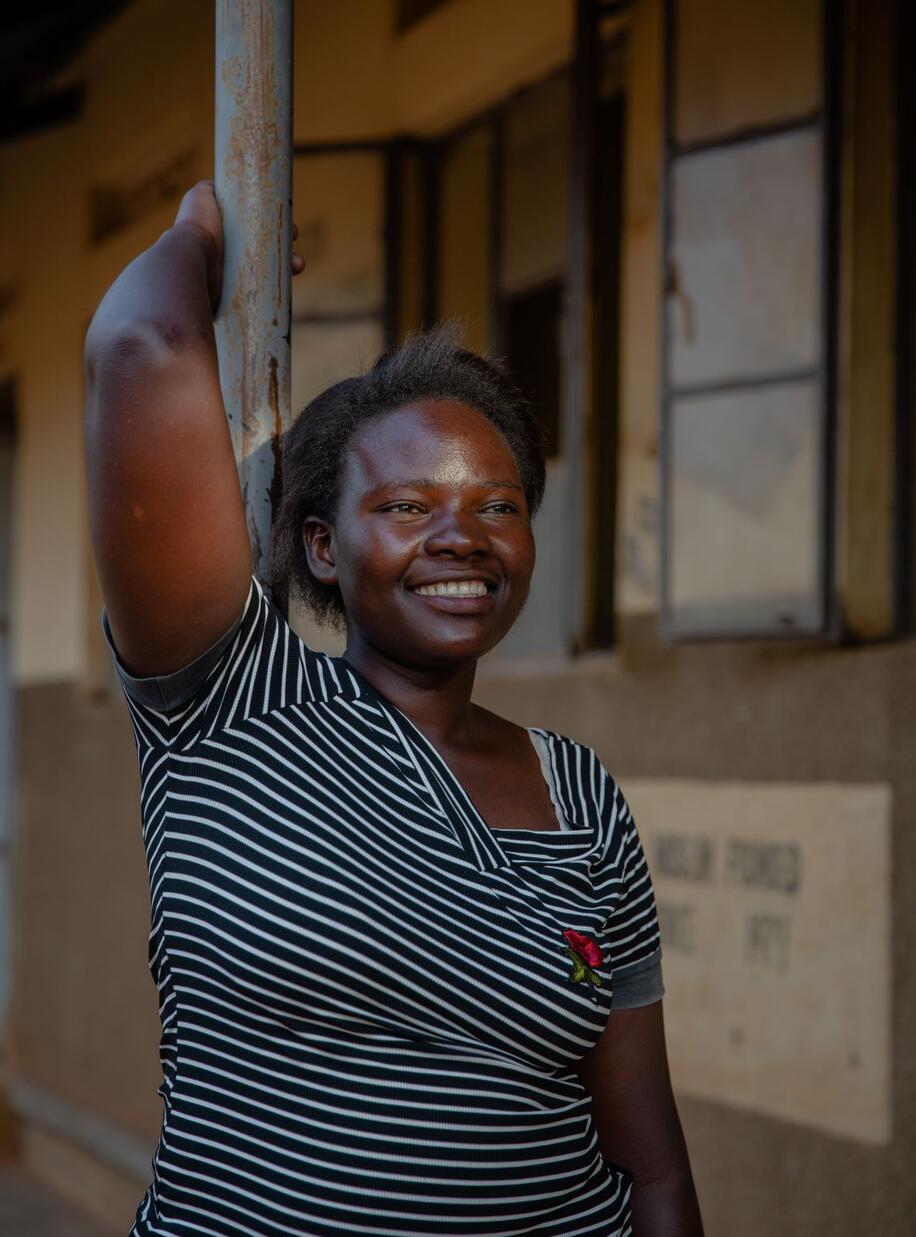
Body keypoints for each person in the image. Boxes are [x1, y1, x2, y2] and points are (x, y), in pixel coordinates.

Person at [83, 179, 703, 1237]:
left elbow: (650, 1169)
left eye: (496, 505)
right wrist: (199, 238)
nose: (460, 535)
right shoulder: (231, 704)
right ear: (323, 545)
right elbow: (141, 345)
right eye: (407, 506)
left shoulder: (579, 795)